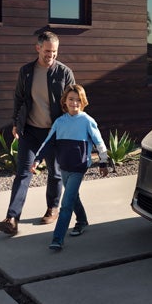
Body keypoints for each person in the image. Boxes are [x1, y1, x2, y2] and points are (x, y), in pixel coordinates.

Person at [0, 31, 75, 236]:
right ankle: (12, 218)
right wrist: (16, 122)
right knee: (23, 172)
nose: (51, 55)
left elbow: (73, 101)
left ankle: (53, 208)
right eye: (48, 50)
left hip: (54, 132)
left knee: (55, 173)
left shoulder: (64, 73)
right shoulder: (27, 71)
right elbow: (19, 98)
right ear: (37, 48)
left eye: (55, 51)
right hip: (30, 130)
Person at [30, 84, 109, 250]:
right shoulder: (60, 122)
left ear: (83, 101)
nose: (74, 102)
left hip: (79, 167)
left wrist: (103, 162)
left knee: (66, 203)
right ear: (64, 101)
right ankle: (82, 221)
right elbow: (48, 142)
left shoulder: (87, 121)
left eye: (78, 100)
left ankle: (57, 239)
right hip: (63, 166)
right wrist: (37, 159)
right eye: (71, 99)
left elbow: (100, 143)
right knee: (73, 197)